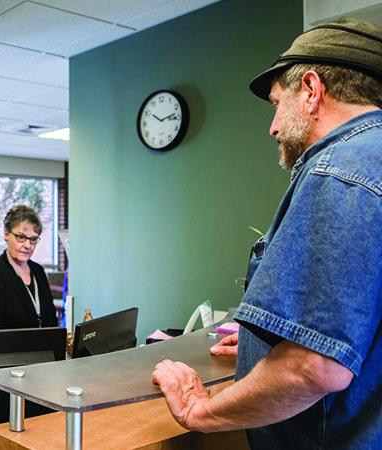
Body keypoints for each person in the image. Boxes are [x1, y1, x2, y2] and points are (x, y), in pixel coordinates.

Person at [151, 18, 382, 449]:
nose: (273, 127)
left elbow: (312, 368)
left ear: (311, 91)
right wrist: (269, 342)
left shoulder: (338, 173)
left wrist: (198, 409)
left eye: (278, 103)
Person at [0, 205, 58, 330]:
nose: (28, 245)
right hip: (11, 349)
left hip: (45, 348)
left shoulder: (39, 271)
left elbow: (52, 320)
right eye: (21, 237)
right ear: (6, 233)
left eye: (33, 239)